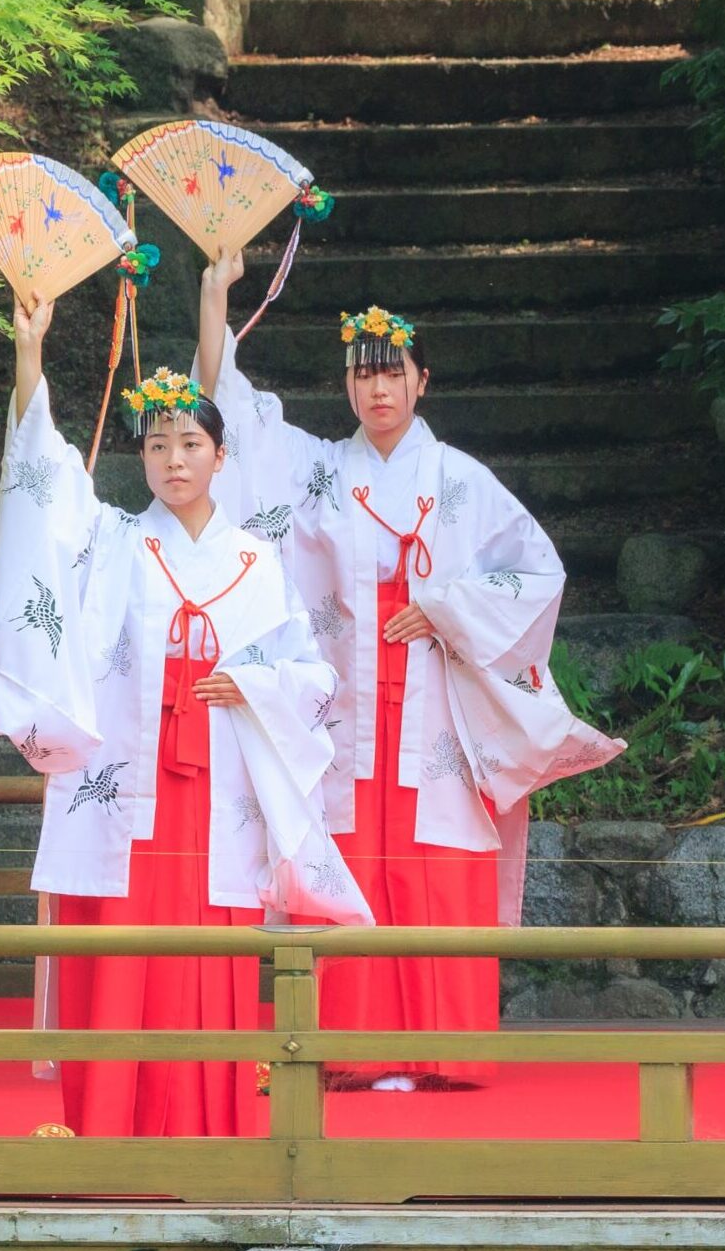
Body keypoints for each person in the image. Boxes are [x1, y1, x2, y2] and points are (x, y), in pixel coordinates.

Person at [195, 256, 623, 1091]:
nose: (378, 389)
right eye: (363, 374)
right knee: (352, 865)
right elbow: (235, 423)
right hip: (350, 711)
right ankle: (355, 1052)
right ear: (348, 386)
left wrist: (447, 608)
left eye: (393, 373)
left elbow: (538, 573)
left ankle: (444, 1054)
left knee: (437, 869)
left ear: (422, 381)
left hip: (436, 713)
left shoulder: (462, 481)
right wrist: (216, 294)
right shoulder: (321, 471)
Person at [0, 295, 369, 1138]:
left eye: (190, 445)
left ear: (221, 456)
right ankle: (107, 1133)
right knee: (118, 952)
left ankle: (207, 1134)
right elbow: (47, 486)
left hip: (219, 792)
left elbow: (315, 677)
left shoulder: (256, 561)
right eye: (156, 446)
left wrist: (251, 683)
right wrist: (29, 356)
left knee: (205, 959)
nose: (173, 460)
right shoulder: (111, 540)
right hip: (125, 791)